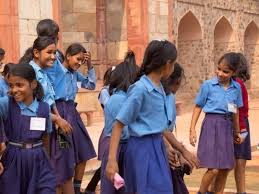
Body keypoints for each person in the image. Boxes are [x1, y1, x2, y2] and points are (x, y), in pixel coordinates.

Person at [106, 40, 177, 194]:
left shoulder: (159, 88)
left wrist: (180, 149)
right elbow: (118, 124)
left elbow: (159, 126)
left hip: (157, 147)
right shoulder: (140, 89)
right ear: (167, 64)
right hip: (141, 150)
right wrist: (112, 160)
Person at [189, 52, 244, 194]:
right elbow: (198, 106)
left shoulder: (236, 88)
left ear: (233, 72)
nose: (220, 73)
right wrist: (192, 129)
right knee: (213, 169)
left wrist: (237, 132)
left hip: (227, 127)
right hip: (211, 126)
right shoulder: (208, 85)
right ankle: (201, 192)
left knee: (225, 168)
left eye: (225, 71)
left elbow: (235, 111)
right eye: (218, 69)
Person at [46, 43, 97, 194]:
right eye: (78, 59)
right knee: (62, 156)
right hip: (59, 111)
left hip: (72, 112)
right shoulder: (56, 69)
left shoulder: (75, 75)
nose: (79, 63)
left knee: (85, 151)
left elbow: (91, 85)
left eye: (82, 60)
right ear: (68, 56)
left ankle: (75, 188)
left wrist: (89, 64)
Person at [0, 64, 56, 194]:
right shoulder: (6, 104)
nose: (14, 90)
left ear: (33, 84)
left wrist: (46, 161)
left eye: (19, 85)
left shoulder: (44, 108)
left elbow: (46, 138)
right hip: (13, 161)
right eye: (11, 85)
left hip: (39, 161)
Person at [101, 51, 139, 194]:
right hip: (118, 148)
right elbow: (124, 128)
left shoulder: (124, 97)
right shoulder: (119, 99)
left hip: (123, 147)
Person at [162, 62, 195, 194]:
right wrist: (178, 151)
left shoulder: (167, 95)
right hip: (162, 148)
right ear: (177, 81)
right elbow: (160, 129)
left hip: (166, 147)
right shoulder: (162, 96)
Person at [85, 65, 115, 194]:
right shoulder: (104, 91)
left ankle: (91, 188)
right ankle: (93, 188)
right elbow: (110, 107)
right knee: (106, 164)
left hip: (116, 132)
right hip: (109, 133)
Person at [233, 53, 252, 194]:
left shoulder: (234, 84)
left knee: (229, 160)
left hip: (235, 122)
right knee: (240, 159)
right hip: (241, 123)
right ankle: (241, 191)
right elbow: (238, 108)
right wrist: (240, 129)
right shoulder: (239, 84)